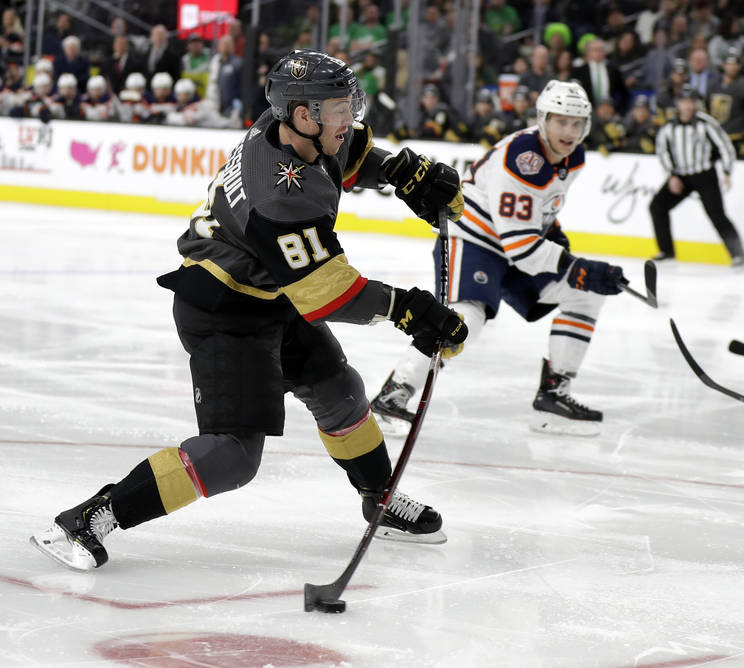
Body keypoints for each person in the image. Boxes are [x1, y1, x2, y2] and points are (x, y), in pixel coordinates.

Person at [30, 49, 468, 572]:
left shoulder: (289, 124)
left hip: (270, 292)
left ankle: (379, 496)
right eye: (337, 108)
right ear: (303, 115)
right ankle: (90, 518)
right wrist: (411, 312)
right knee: (233, 456)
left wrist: (398, 173)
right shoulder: (279, 199)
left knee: (339, 390)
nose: (348, 118)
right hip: (223, 310)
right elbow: (331, 295)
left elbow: (349, 152)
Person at [369, 80, 626, 435]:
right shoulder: (522, 159)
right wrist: (578, 267)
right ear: (543, 120)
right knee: (466, 319)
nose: (569, 131)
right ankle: (395, 391)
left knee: (584, 293)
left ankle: (554, 393)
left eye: (576, 123)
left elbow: (534, 215)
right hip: (474, 239)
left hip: (515, 242)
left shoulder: (574, 156)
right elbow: (521, 248)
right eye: (560, 121)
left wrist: (554, 233)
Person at [649, 85, 744, 266]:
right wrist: (672, 176)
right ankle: (666, 251)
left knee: (716, 214)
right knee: (657, 206)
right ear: (678, 104)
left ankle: (738, 255)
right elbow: (662, 151)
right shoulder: (669, 126)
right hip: (681, 177)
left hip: (704, 175)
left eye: (691, 102)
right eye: (684, 102)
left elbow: (725, 146)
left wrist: (726, 172)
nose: (688, 106)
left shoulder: (705, 123)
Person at [705, 46, 744, 158]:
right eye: (729, 63)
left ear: (740, 65)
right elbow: (704, 111)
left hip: (737, 140)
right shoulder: (712, 86)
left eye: (736, 63)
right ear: (723, 65)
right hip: (713, 140)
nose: (732, 67)